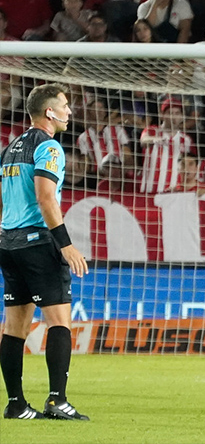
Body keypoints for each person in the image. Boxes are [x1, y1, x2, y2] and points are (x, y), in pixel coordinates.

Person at [0, 83, 89, 420]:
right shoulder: (48, 146)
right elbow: (46, 198)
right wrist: (65, 245)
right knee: (59, 323)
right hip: (38, 243)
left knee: (14, 327)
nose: (69, 111)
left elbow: (2, 198)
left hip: (8, 243)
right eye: (65, 106)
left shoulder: (10, 148)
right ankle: (57, 400)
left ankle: (16, 404)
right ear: (50, 112)